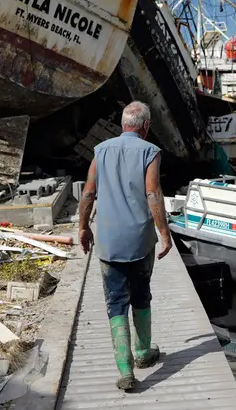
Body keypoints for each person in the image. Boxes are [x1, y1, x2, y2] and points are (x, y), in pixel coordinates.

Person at [77, 101, 173, 391]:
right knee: (141, 293)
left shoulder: (101, 150)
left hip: (108, 240)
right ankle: (143, 353)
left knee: (115, 301)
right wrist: (164, 233)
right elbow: (153, 193)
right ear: (145, 126)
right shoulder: (150, 151)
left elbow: (88, 192)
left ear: (123, 125)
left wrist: (82, 227)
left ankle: (125, 371)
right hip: (140, 241)